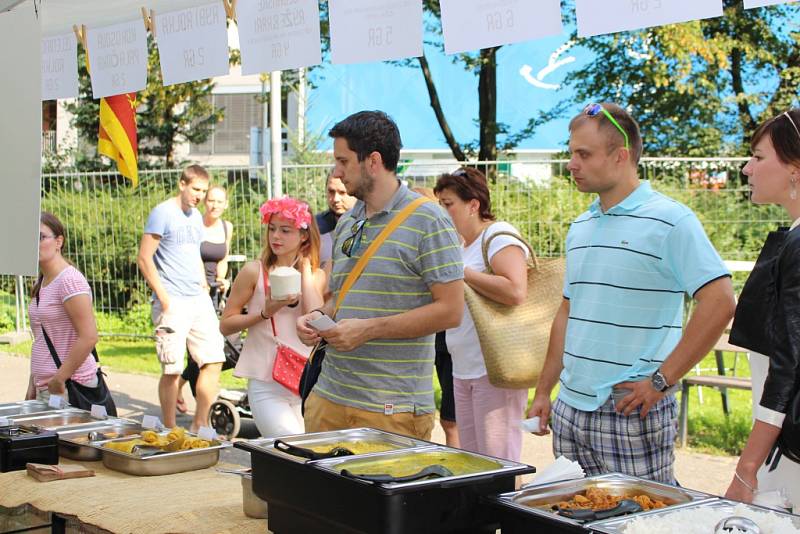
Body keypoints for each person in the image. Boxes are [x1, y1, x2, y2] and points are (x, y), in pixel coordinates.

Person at [527, 103, 736, 484]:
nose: (571, 163)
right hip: (570, 408)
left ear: (621, 156)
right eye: (571, 152)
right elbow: (568, 312)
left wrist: (662, 380)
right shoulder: (581, 225)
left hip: (630, 407)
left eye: (583, 154)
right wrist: (545, 391)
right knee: (571, 519)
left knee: (638, 523)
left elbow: (720, 301)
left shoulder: (672, 221)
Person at [296, 110, 465, 440]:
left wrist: (369, 330)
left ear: (372, 161)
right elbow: (340, 300)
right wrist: (317, 319)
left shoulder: (429, 221)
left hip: (390, 409)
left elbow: (451, 310)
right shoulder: (348, 220)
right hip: (329, 398)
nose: (337, 171)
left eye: (343, 161)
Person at [725, 108, 800, 511]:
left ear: (795, 167)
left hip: (790, 455)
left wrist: (747, 468)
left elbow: (789, 363)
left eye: (758, 156)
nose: (746, 167)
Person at [434, 168, 529, 461]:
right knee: (474, 461)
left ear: (473, 205)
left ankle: (503, 508)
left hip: (494, 368)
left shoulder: (499, 236)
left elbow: (515, 290)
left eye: (448, 204)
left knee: (498, 461)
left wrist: (463, 273)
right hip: (464, 366)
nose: (443, 211)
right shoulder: (462, 245)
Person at [220, 196, 326, 437]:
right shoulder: (254, 271)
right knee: (292, 447)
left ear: (304, 235)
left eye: (285, 230)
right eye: (272, 228)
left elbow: (314, 318)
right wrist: (265, 312)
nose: (276, 236)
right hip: (266, 381)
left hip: (305, 380)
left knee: (307, 454)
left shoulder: (317, 275)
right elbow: (226, 325)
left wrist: (306, 270)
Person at [137, 165, 226, 432]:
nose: (199, 196)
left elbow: (194, 254)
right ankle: (170, 428)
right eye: (195, 189)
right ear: (182, 185)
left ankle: (200, 426)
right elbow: (144, 258)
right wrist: (164, 299)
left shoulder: (196, 217)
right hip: (172, 300)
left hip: (198, 298)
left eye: (203, 190)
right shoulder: (163, 213)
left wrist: (202, 285)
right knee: (172, 368)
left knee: (214, 360)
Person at [26, 212, 100, 403]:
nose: (34, 244)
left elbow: (89, 336)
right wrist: (32, 383)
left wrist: (59, 379)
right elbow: (42, 339)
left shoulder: (69, 281)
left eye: (41, 237)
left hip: (68, 386)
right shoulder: (42, 281)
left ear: (59, 241)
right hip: (47, 386)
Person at [176, 184, 234, 413]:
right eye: (211, 200)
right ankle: (203, 407)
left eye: (220, 201)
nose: (215, 206)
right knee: (197, 353)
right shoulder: (194, 224)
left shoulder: (226, 226)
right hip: (193, 289)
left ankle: (188, 390)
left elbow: (224, 255)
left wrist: (224, 279)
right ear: (204, 201)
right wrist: (200, 281)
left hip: (214, 292)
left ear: (226, 204)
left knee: (221, 349)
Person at [413, 186, 460, 448]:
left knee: (453, 419)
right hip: (431, 340)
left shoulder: (443, 238)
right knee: (448, 419)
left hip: (452, 338)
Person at [317, 171, 356, 274]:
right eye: (331, 191)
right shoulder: (315, 226)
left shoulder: (370, 224)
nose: (335, 199)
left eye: (342, 192)